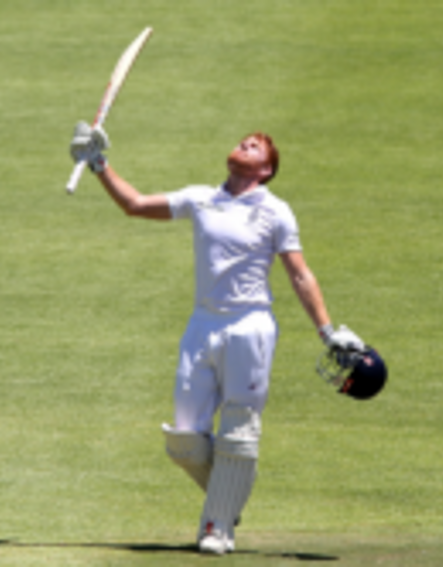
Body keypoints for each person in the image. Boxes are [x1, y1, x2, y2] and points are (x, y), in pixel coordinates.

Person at [68, 122, 365, 555]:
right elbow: (134, 204)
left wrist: (328, 330)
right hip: (203, 325)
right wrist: (99, 164)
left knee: (239, 429)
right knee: (184, 437)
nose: (244, 144)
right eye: (242, 141)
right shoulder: (201, 198)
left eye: (255, 146)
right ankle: (231, 487)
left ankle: (216, 526)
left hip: (251, 325)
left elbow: (299, 273)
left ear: (265, 170)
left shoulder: (275, 210)